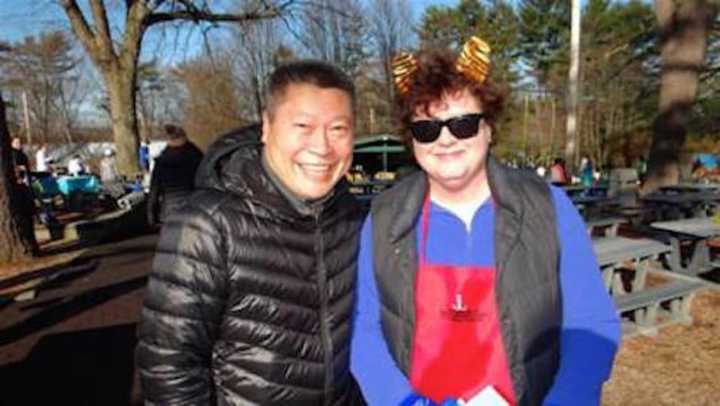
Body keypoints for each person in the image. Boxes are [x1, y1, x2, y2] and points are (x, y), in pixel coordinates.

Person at [351, 37, 620, 406]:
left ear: (489, 128)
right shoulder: (383, 219)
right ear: (411, 140)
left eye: (462, 124)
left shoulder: (547, 207)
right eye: (427, 129)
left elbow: (590, 323)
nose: (445, 140)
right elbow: (362, 331)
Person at [136, 60, 366, 405]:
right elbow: (169, 365)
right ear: (266, 127)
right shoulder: (209, 224)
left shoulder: (356, 219)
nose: (321, 146)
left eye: (338, 129)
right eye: (302, 125)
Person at [145, 124, 203, 226]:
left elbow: (154, 190)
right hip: (194, 209)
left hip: (169, 213)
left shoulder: (161, 162)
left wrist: (151, 216)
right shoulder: (196, 157)